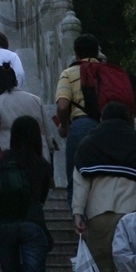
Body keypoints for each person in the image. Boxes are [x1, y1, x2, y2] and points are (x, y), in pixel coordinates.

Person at [72, 101, 136, 272]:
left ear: (101, 119)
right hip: (132, 215)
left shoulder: (89, 144)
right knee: (130, 271)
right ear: (128, 121)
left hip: (100, 215)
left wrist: (77, 213)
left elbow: (81, 182)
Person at [0, 113, 51, 272]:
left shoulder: (1, 160)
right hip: (32, 223)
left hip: (2, 224)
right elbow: (41, 199)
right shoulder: (42, 165)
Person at [57, 33, 105, 185]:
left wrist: (64, 126)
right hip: (107, 126)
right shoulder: (109, 72)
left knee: (76, 181)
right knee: (102, 182)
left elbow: (63, 106)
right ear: (97, 53)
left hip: (80, 126)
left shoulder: (69, 73)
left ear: (76, 55)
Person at [0, 62, 47, 151]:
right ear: (16, 81)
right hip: (39, 155)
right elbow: (46, 131)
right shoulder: (36, 100)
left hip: (9, 157)